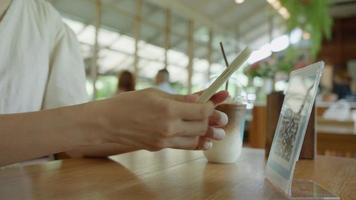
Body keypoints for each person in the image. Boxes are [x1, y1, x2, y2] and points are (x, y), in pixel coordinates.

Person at [0, 0, 229, 167]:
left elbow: (71, 142)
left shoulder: (47, 23)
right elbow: (82, 127)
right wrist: (104, 120)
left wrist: (147, 127)